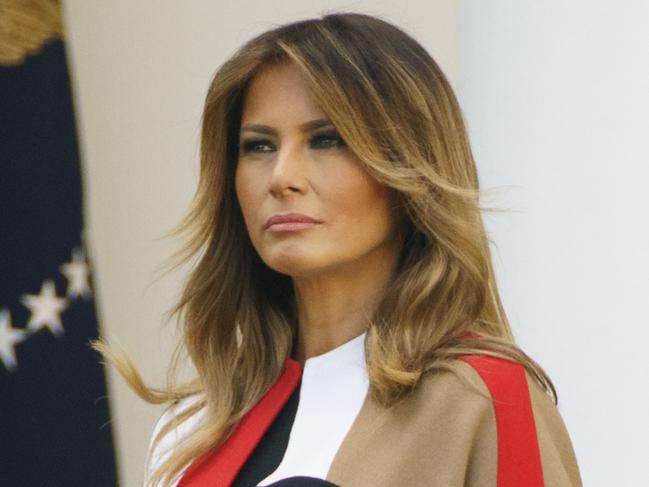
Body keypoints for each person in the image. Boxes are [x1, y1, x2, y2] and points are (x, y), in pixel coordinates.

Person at [102, 12, 582, 487]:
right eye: (259, 146)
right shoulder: (190, 428)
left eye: (327, 140)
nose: (282, 177)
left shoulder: (486, 400)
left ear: (408, 168)